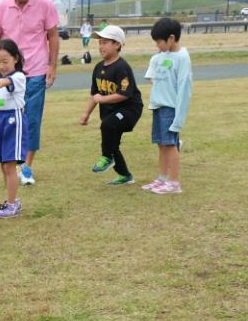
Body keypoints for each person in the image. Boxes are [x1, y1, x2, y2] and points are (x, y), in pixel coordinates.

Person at [0, 0, 60, 186]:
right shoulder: (0, 7)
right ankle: (11, 163)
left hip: (36, 70)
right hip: (9, 72)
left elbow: (53, 35)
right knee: (7, 116)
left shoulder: (45, 4)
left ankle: (26, 166)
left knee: (32, 119)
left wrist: (52, 65)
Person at [78, 24, 142, 186]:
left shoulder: (122, 67)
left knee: (107, 126)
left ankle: (106, 157)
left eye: (105, 42)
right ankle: (125, 175)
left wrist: (102, 99)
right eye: (100, 43)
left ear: (117, 45)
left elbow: (124, 94)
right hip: (111, 112)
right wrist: (86, 114)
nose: (101, 46)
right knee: (112, 143)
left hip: (129, 110)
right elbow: (95, 94)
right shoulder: (98, 68)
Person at [141, 17, 193, 195]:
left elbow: (184, 88)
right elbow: (154, 77)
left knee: (170, 144)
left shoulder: (182, 58)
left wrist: (179, 118)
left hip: (171, 108)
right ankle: (162, 178)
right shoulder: (160, 57)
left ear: (171, 38)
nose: (157, 45)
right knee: (161, 144)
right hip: (159, 106)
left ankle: (173, 182)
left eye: (159, 42)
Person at [0, 38, 28, 218]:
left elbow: (5, 82)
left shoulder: (18, 77)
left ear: (15, 59)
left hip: (13, 121)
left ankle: (11, 205)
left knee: (10, 165)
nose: (1, 66)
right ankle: (13, 201)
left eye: (5, 61)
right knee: (3, 166)